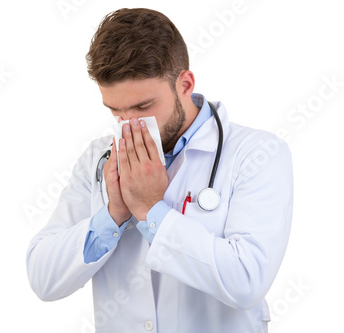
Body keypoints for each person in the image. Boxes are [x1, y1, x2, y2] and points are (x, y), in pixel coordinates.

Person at [26, 8, 293, 333]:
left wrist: (151, 210)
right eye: (115, 110)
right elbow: (43, 278)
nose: (128, 123)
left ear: (185, 83)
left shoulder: (257, 154)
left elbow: (247, 280)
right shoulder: (98, 158)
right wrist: (112, 215)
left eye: (142, 106)